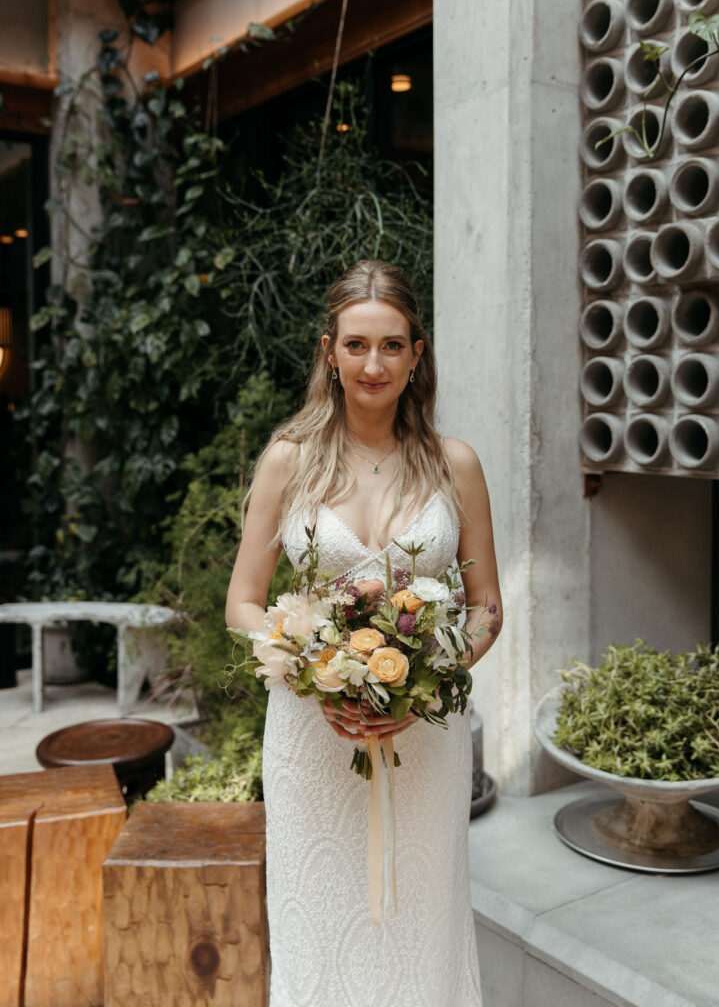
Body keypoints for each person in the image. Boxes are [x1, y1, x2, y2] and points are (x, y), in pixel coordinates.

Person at [226, 259, 502, 1007]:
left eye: (390, 345)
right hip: (313, 732)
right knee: (318, 924)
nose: (372, 364)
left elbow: (485, 609)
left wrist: (431, 678)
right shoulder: (288, 462)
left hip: (424, 736)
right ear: (328, 352)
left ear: (418, 353)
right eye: (355, 345)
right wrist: (316, 668)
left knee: (421, 922)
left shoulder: (457, 466)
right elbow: (244, 602)